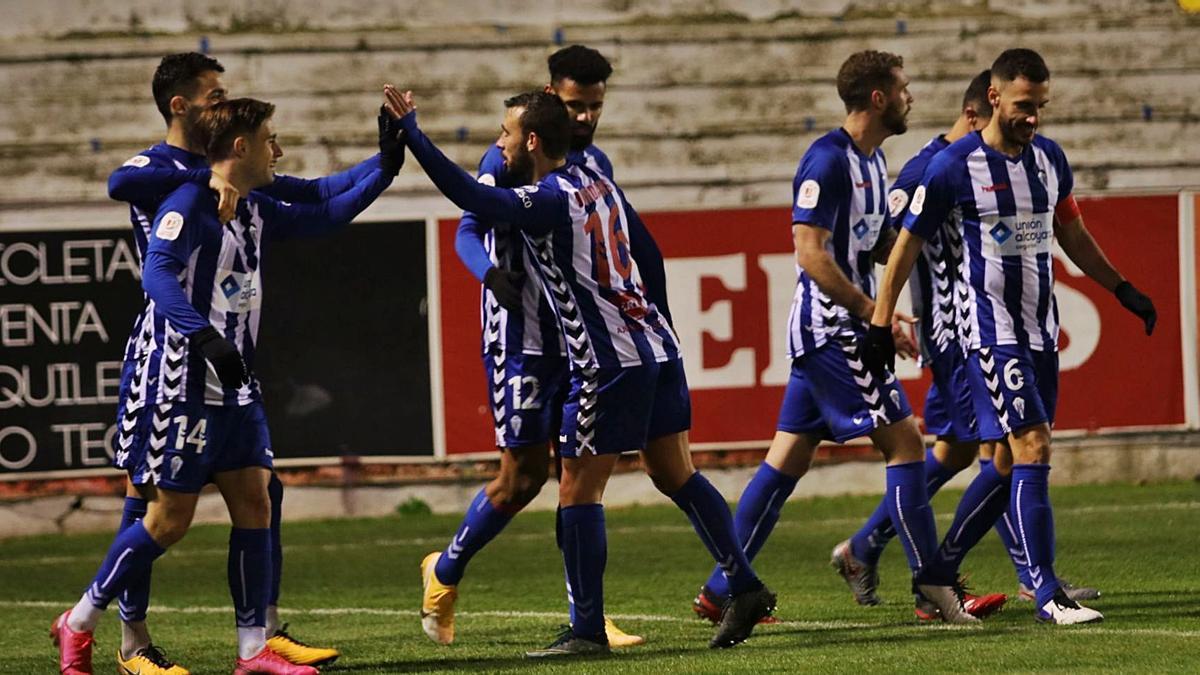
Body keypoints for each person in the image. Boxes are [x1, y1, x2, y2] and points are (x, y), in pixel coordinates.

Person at [386, 85, 776, 656]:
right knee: (676, 474)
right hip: (656, 346)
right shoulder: (599, 182)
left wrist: (414, 135)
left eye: (506, 134)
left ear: (533, 141)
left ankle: (587, 629)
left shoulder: (546, 199)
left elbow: (467, 195)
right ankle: (742, 584)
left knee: (577, 490)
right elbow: (645, 253)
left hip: (606, 359)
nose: (500, 143)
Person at [51, 97, 402, 674]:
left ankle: (251, 653)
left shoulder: (253, 203)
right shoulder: (188, 202)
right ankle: (81, 620)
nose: (279, 149)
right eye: (271, 139)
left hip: (234, 384)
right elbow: (157, 272)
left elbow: (324, 210)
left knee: (257, 499)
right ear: (241, 147)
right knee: (166, 519)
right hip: (179, 379)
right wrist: (204, 338)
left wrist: (387, 165)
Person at [861, 48, 1156, 625]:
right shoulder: (952, 167)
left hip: (1042, 332)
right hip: (988, 332)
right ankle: (1047, 593)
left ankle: (939, 571)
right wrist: (880, 320)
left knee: (1002, 463)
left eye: (1041, 106)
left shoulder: (1049, 161)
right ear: (993, 98)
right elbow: (903, 247)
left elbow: (1072, 233)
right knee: (1032, 448)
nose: (1034, 117)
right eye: (1024, 105)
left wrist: (1121, 289)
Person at [688, 50, 976, 625]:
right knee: (908, 447)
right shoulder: (826, 160)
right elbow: (810, 253)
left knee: (785, 462)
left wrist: (888, 314)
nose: (910, 96)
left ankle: (720, 588)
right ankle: (933, 588)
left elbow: (864, 249)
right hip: (833, 333)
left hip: (839, 332)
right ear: (878, 98)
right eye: (903, 87)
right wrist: (873, 314)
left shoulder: (872, 163)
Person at [421, 45, 659, 649]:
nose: (585, 120)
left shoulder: (593, 161)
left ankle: (587, 613)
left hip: (580, 338)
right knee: (522, 478)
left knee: (577, 476)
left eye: (595, 108)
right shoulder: (504, 157)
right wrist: (490, 275)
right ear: (553, 99)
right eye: (576, 107)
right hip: (521, 337)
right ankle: (444, 569)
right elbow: (469, 228)